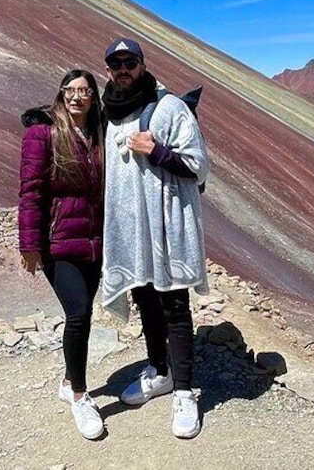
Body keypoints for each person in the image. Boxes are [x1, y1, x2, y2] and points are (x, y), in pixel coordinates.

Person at [100, 38, 210, 439]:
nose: (123, 69)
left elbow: (199, 168)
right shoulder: (110, 114)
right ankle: (159, 371)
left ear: (143, 66)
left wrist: (158, 151)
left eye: (130, 62)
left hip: (167, 230)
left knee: (175, 306)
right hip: (133, 231)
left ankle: (184, 391)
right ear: (108, 71)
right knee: (145, 298)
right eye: (116, 64)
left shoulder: (170, 108)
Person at [18, 69, 106, 440]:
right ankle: (80, 396)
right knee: (79, 313)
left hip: (94, 243)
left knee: (84, 311)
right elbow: (31, 191)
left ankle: (69, 378)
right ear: (60, 94)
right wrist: (30, 245)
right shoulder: (43, 134)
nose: (76, 97)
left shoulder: (99, 135)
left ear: (92, 98)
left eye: (84, 91)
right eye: (70, 90)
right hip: (58, 243)